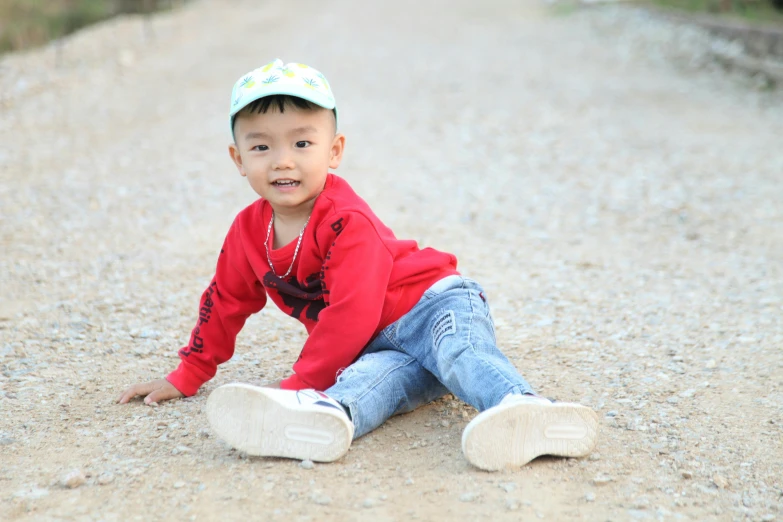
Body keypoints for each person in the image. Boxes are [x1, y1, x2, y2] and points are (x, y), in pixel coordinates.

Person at [117, 59, 598, 470]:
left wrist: (298, 381)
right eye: (261, 146)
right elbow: (224, 301)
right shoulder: (248, 231)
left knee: (457, 353)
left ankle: (526, 409)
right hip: (373, 344)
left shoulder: (347, 220)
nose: (282, 161)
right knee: (370, 383)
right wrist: (188, 373)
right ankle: (323, 416)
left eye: (302, 144)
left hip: (431, 306)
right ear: (237, 158)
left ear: (335, 151)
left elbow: (352, 311)